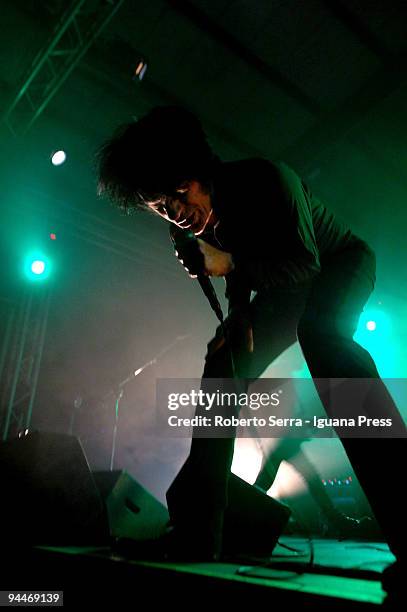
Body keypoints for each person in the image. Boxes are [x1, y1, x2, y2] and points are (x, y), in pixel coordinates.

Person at [97, 106, 405, 591]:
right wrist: (237, 318)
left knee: (323, 340)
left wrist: (229, 261)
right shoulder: (190, 220)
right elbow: (240, 281)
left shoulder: (268, 181)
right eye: (158, 206)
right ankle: (198, 533)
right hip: (281, 287)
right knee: (223, 363)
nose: (173, 212)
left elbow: (304, 265)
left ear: (198, 173)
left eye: (176, 195)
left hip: (336, 262)